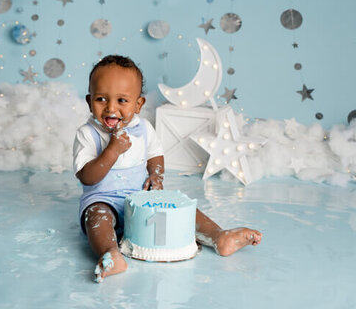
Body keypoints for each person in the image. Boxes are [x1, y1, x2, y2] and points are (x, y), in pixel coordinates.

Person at [73, 55, 262, 283]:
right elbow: (87, 178)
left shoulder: (143, 128)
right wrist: (112, 150)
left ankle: (218, 236)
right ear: (89, 100)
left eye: (122, 101)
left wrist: (155, 174)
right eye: (101, 99)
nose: (111, 108)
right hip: (103, 199)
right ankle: (110, 253)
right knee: (97, 219)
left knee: (183, 210)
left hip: (141, 196)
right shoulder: (87, 134)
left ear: (138, 104)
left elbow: (155, 155)